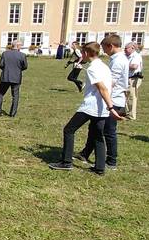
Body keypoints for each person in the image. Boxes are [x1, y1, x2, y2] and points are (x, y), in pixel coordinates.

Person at [48, 42, 122, 174]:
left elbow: (103, 88)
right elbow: (111, 84)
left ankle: (66, 162)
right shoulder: (104, 66)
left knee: (69, 130)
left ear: (87, 53)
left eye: (83, 53)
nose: (82, 55)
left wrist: (111, 108)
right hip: (101, 108)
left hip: (91, 107)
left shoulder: (93, 68)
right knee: (97, 136)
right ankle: (100, 168)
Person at [77, 34, 128, 170]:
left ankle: (111, 161)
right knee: (96, 128)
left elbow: (111, 82)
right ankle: (85, 153)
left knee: (108, 131)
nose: (103, 51)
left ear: (110, 46)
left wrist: (97, 87)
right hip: (109, 98)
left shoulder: (118, 61)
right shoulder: (116, 59)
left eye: (105, 48)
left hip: (112, 99)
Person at [0, 42, 27, 117]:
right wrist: (18, 70)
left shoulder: (5, 54)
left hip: (5, 76)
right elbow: (25, 66)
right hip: (16, 77)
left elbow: (1, 64)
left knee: (0, 93)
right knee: (15, 96)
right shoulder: (22, 55)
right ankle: (12, 113)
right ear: (18, 46)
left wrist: (6, 69)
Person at [125, 41, 144, 120]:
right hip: (128, 78)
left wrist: (124, 65)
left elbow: (134, 66)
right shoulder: (128, 56)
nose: (125, 50)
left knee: (132, 97)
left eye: (126, 48)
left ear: (132, 48)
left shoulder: (136, 56)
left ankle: (131, 115)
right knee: (126, 96)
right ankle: (125, 112)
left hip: (133, 78)